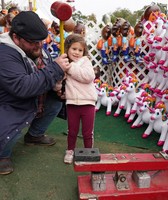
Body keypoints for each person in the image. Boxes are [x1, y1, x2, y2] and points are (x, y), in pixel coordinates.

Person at [0, 11, 70, 175]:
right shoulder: (4, 53)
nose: (39, 45)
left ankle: (34, 135)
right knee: (17, 110)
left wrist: (59, 86)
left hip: (20, 99)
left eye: (41, 40)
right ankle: (2, 154)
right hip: (7, 104)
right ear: (16, 38)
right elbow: (22, 87)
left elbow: (46, 72)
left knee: (55, 100)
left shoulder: (35, 47)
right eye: (33, 42)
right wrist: (56, 69)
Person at [63, 34, 97, 164]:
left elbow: (88, 76)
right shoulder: (65, 62)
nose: (76, 52)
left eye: (80, 50)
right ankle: (70, 150)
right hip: (72, 102)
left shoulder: (85, 62)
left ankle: (88, 152)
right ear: (67, 49)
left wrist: (70, 67)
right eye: (73, 49)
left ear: (84, 52)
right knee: (72, 130)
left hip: (88, 102)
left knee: (87, 131)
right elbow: (60, 81)